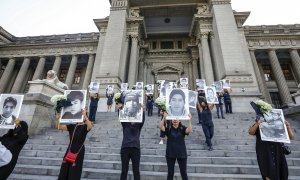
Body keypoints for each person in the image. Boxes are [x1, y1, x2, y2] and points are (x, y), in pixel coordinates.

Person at [58, 109, 93, 180]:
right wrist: (58, 118)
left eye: (81, 115)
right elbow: (59, 127)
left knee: (75, 171)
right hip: (70, 149)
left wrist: (85, 116)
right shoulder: (72, 126)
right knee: (64, 169)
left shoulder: (84, 126)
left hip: (79, 150)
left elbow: (90, 127)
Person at [117, 95, 145, 180]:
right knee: (124, 171)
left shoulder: (138, 124)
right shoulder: (125, 123)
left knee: (136, 171)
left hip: (135, 148)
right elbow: (121, 116)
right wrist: (120, 108)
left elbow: (142, 118)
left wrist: (142, 110)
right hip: (125, 147)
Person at [159, 112, 192, 180]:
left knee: (183, 173)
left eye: (177, 119)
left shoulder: (182, 128)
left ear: (179, 120)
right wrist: (164, 118)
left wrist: (189, 120)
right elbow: (161, 127)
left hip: (182, 154)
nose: (175, 120)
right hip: (170, 154)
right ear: (171, 120)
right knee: (170, 173)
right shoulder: (169, 128)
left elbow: (189, 130)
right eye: (173, 119)